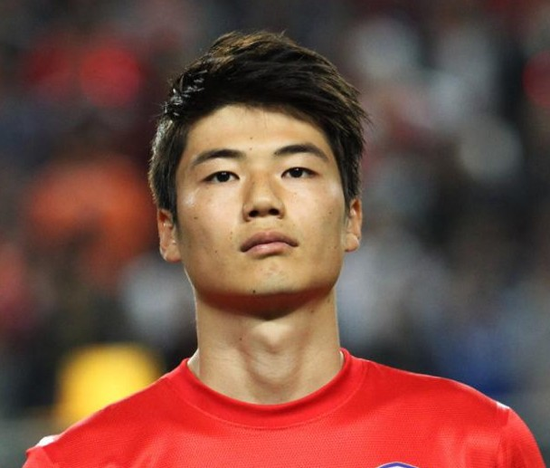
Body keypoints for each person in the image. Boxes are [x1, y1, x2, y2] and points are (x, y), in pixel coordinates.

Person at [24, 31, 545, 468]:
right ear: (168, 230)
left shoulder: (478, 444)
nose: (263, 200)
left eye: (296, 170)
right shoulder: (80, 462)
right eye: (223, 175)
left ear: (352, 217)